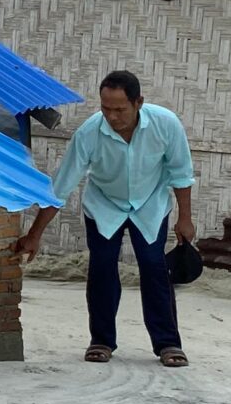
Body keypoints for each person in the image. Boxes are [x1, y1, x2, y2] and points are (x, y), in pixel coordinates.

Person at [17, 70, 196, 367]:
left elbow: (181, 173)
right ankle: (101, 340)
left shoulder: (166, 124)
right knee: (101, 267)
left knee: (154, 267)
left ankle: (168, 344)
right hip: (105, 205)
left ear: (139, 102)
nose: (111, 116)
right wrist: (34, 234)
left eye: (119, 109)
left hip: (150, 204)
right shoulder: (89, 133)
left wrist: (185, 219)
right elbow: (61, 187)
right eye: (105, 108)